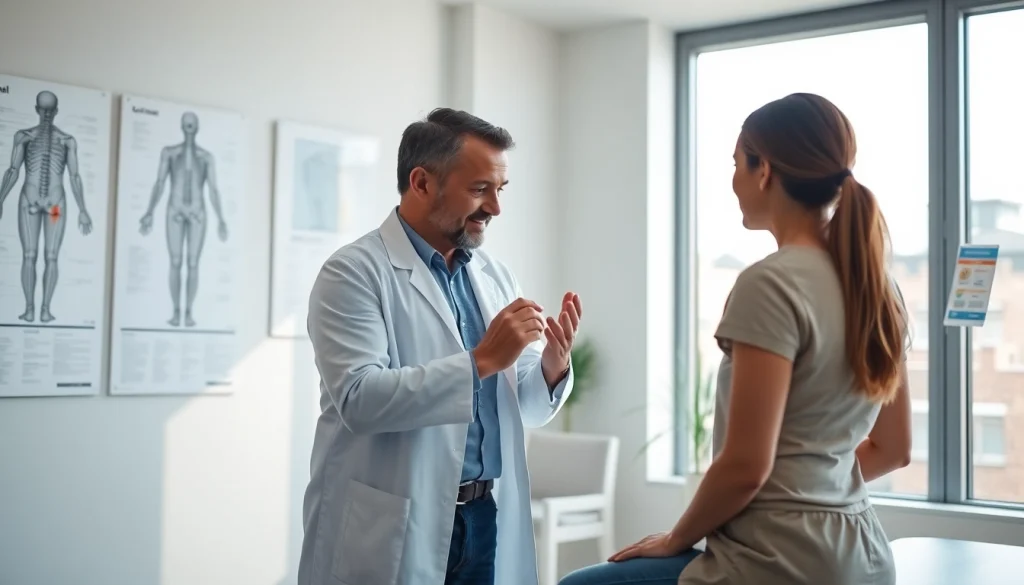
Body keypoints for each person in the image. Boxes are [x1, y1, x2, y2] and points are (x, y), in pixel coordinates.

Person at [560, 92, 912, 585]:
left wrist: (675, 537)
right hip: (863, 557)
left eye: (736, 164)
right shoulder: (880, 287)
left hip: (777, 561)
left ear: (763, 169)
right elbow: (894, 450)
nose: (733, 181)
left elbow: (746, 465)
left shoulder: (770, 283)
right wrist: (813, 483)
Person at [298, 107, 581, 585]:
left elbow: (521, 406)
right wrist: (483, 360)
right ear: (422, 182)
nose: (495, 207)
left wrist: (551, 368)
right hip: (395, 520)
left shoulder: (493, 275)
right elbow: (359, 399)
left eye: (499, 189)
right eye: (479, 189)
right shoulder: (352, 273)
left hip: (482, 518)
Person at [0, 90, 93, 323]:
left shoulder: (67, 141)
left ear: (57, 111)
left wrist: (83, 209)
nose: (48, 113)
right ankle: (30, 308)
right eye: (44, 109)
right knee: (29, 255)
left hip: (55, 205)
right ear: (37, 110)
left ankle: (45, 309)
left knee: (51, 256)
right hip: (28, 202)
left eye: (51, 110)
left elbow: (75, 177)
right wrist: (0, 198)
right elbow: (13, 170)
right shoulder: (24, 137)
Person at [139, 111, 228, 328]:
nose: (189, 129)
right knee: (176, 262)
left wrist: (221, 218)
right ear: (182, 126)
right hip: (175, 210)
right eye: (186, 125)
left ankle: (188, 312)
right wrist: (149, 211)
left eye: (192, 125)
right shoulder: (169, 153)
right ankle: (176, 311)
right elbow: (159, 183)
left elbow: (213, 190)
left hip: (198, 211)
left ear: (196, 128)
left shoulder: (206, 157)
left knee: (193, 263)